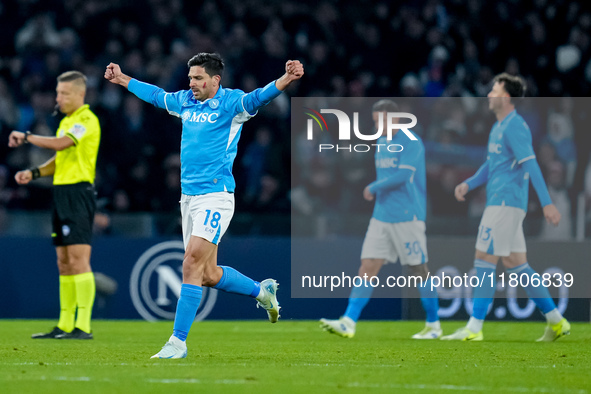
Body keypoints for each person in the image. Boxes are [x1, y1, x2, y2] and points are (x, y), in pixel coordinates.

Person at [104, 53, 303, 359]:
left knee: (190, 263)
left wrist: (285, 81)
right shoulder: (185, 101)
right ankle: (262, 292)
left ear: (215, 80)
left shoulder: (231, 104)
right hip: (189, 198)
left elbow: (258, 98)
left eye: (198, 78)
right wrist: (122, 79)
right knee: (207, 273)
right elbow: (156, 96)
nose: (192, 83)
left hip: (216, 196)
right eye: (190, 78)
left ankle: (177, 342)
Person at [441, 73, 570, 341]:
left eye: (494, 90)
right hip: (501, 201)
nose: (488, 95)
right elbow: (492, 165)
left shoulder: (515, 126)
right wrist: (470, 183)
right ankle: (556, 321)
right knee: (517, 264)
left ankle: (474, 329)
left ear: (507, 97)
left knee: (484, 258)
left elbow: (531, 163)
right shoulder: (498, 127)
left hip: (505, 202)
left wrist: (547, 204)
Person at [320, 100, 441, 339]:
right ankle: (348, 321)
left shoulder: (411, 141)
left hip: (408, 216)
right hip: (382, 216)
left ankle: (434, 325)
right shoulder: (382, 141)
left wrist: (374, 186)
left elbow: (405, 175)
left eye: (379, 121)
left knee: (419, 269)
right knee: (367, 267)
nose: (377, 126)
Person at [9, 71, 100, 340]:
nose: (58, 98)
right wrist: (35, 173)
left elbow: (62, 144)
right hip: (61, 193)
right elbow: (61, 157)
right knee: (63, 261)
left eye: (64, 93)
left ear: (80, 95)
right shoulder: (67, 122)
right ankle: (64, 324)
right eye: (58, 93)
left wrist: (27, 137)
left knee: (79, 259)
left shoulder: (86, 120)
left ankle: (82, 326)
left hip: (78, 193)